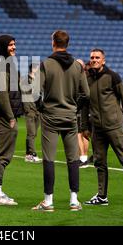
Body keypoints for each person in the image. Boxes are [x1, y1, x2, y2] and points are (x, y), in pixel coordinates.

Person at [32, 30, 89, 212]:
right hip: (70, 117)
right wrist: (75, 108)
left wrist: (42, 108)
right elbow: (86, 94)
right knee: (73, 159)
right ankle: (74, 200)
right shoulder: (77, 66)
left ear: (53, 42)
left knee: (49, 159)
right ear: (68, 43)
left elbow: (34, 92)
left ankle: (48, 201)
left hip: (50, 116)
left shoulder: (46, 64)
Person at [82, 48, 123, 207]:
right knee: (99, 162)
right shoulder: (86, 78)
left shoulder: (112, 76)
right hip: (97, 129)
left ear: (103, 60)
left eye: (97, 57)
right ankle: (102, 196)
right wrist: (84, 126)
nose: (94, 60)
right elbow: (84, 104)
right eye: (92, 57)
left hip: (114, 126)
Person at [0, 34, 23, 206]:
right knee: (3, 154)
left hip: (6, 115)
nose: (14, 47)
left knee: (4, 153)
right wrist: (11, 117)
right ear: (3, 47)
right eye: (10, 45)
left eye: (14, 44)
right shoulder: (2, 66)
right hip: (4, 116)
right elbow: (2, 96)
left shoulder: (6, 64)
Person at [21, 62, 42, 163]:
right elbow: (26, 95)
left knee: (34, 133)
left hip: (38, 110)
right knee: (31, 133)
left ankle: (28, 154)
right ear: (33, 69)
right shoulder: (25, 80)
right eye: (37, 68)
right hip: (30, 110)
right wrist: (28, 110)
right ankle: (31, 154)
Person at [75, 59, 92, 168]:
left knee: (78, 133)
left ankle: (82, 158)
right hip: (87, 109)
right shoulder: (88, 76)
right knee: (85, 134)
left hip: (80, 108)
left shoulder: (79, 77)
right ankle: (85, 156)